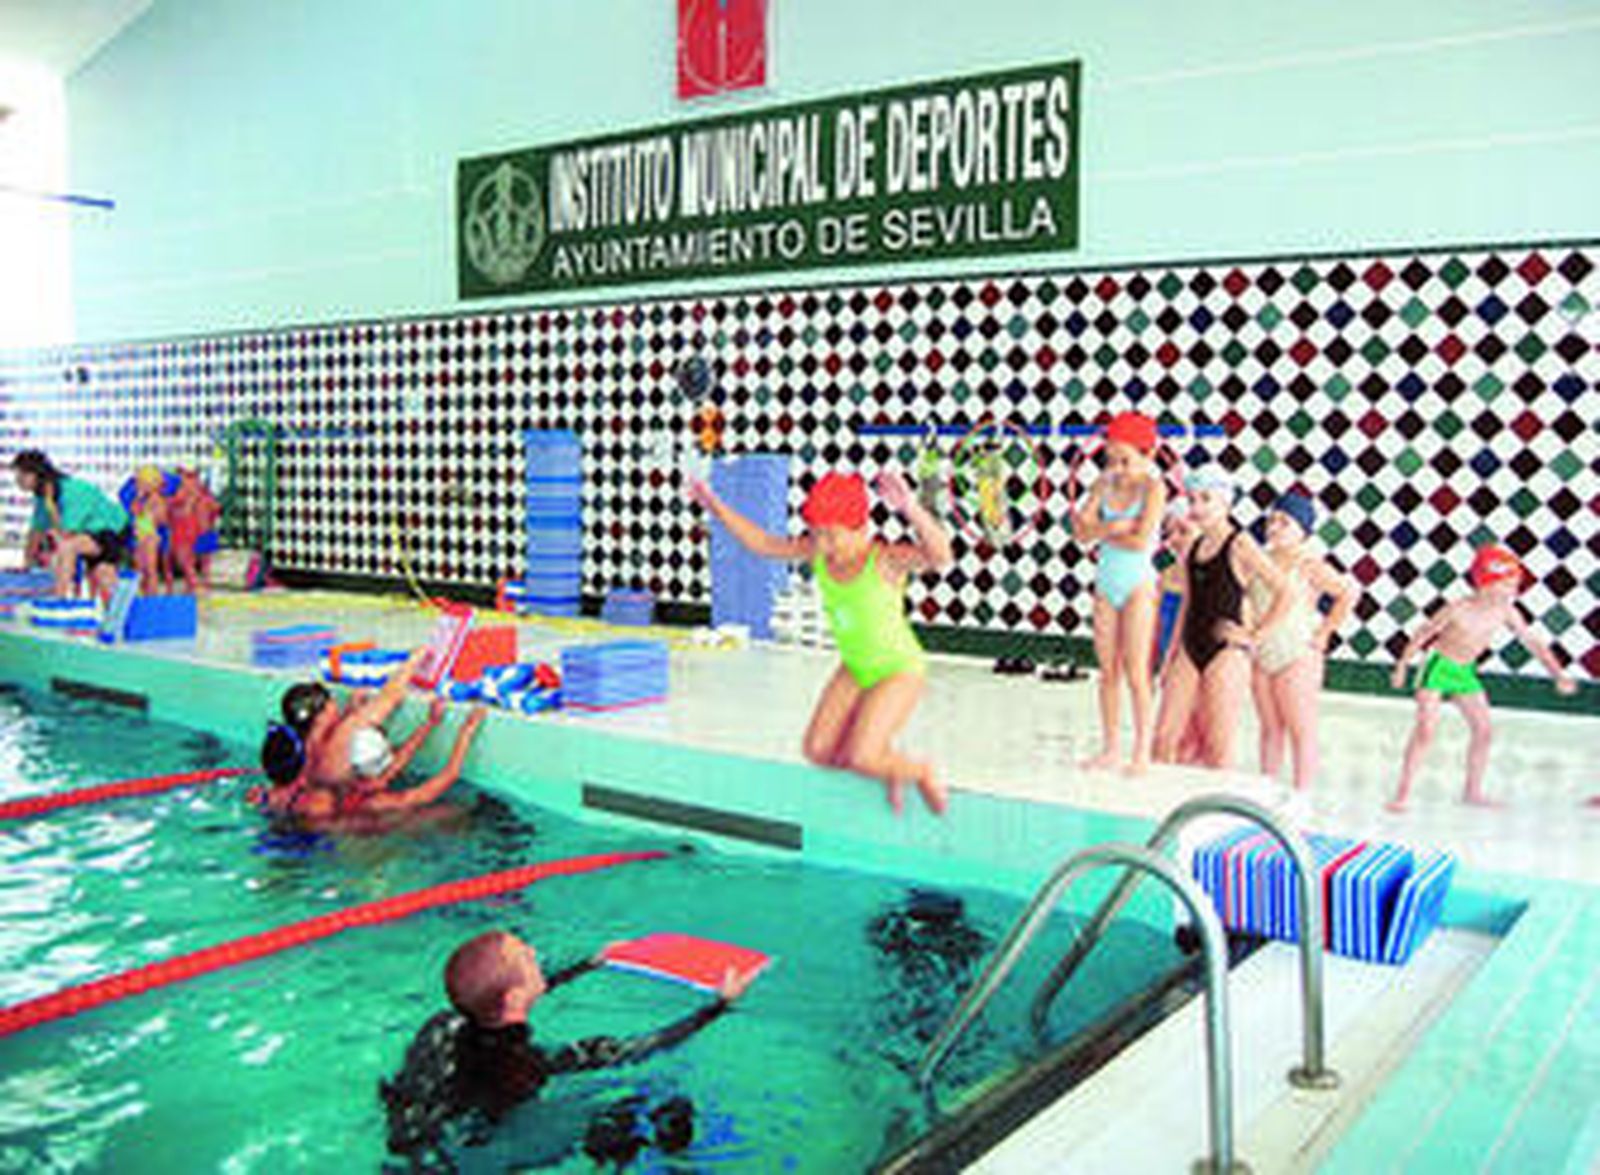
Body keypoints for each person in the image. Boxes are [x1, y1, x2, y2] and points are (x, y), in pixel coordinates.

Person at [688, 469, 952, 815]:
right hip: (855, 667)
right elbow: (763, 544)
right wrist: (715, 506)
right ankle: (889, 766)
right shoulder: (820, 553)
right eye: (816, 534)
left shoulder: (884, 560)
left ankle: (920, 771)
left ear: (860, 528)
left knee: (863, 755)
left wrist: (910, 508)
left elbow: (941, 557)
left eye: (832, 535)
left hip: (898, 670)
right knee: (818, 750)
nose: (823, 545)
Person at [380, 930, 750, 1163]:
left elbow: (509, 995)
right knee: (658, 1109)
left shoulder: (444, 1022)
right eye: (527, 958)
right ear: (513, 1000)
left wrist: (591, 963)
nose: (534, 952)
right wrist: (717, 1007)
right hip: (476, 1147)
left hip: (418, 1136)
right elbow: (631, 1050)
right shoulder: (524, 1064)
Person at [1387, 545, 1576, 811]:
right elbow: (1423, 633)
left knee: (1484, 730)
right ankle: (1402, 794)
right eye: (1506, 585)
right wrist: (1402, 666)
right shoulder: (1458, 608)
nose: (1512, 592)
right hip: (1438, 667)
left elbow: (1533, 643)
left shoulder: (1506, 611)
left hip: (1465, 672)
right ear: (1485, 584)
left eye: (1514, 586)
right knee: (1426, 730)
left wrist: (1557, 674)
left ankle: (1472, 791)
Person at [1152, 466, 1290, 770]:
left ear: (1226, 503)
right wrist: (1170, 656)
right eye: (1192, 500)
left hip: (1227, 653)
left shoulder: (1240, 544)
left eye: (1206, 499)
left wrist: (1254, 636)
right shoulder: (1193, 547)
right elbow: (1188, 604)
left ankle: (1221, 800)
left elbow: (1286, 591)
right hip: (1189, 647)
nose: (1197, 508)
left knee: (1218, 745)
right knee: (1163, 739)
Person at [255, 651, 487, 823]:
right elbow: (391, 699)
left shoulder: (297, 759)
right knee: (448, 813)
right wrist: (416, 658)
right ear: (323, 713)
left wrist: (428, 725)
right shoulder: (356, 786)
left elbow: (392, 767)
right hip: (359, 835)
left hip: (327, 829)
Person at [1071, 412, 1168, 774]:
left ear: (1148, 455)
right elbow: (1080, 534)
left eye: (1126, 460)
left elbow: (1141, 541)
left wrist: (1100, 529)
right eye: (1112, 459)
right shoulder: (1103, 484)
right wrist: (1114, 527)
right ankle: (1111, 749)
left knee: (1136, 671)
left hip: (1138, 584)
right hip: (1105, 584)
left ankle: (1141, 752)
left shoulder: (1154, 489)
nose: (1118, 469)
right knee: (1107, 671)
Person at [1246, 492, 1356, 792]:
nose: (1274, 527)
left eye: (1285, 522)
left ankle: (1302, 795)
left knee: (1301, 730)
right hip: (1263, 653)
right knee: (1270, 729)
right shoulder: (1260, 561)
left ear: (1303, 530)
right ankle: (1266, 791)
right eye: (1272, 521)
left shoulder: (1309, 564)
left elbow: (1348, 594)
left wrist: (1324, 633)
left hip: (1298, 654)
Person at [11, 450, 130, 602]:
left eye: (22, 474)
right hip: (90, 535)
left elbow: (66, 534)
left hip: (113, 530)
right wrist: (26, 565)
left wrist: (51, 508)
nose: (18, 480)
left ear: (38, 474)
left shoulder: (73, 491)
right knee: (103, 580)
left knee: (67, 548)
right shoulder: (43, 497)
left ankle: (59, 599)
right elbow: (36, 532)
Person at [167, 467, 220, 594]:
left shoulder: (195, 493)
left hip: (192, 529)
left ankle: (195, 582)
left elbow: (214, 509)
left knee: (190, 560)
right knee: (192, 560)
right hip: (195, 528)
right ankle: (196, 582)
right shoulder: (197, 493)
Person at [128, 466, 169, 594]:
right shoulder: (143, 500)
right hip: (141, 535)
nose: (138, 487)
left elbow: (162, 519)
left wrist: (150, 513)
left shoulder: (157, 500)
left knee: (150, 569)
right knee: (140, 569)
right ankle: (143, 594)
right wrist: (138, 499)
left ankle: (152, 596)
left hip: (150, 536)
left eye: (141, 484)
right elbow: (134, 511)